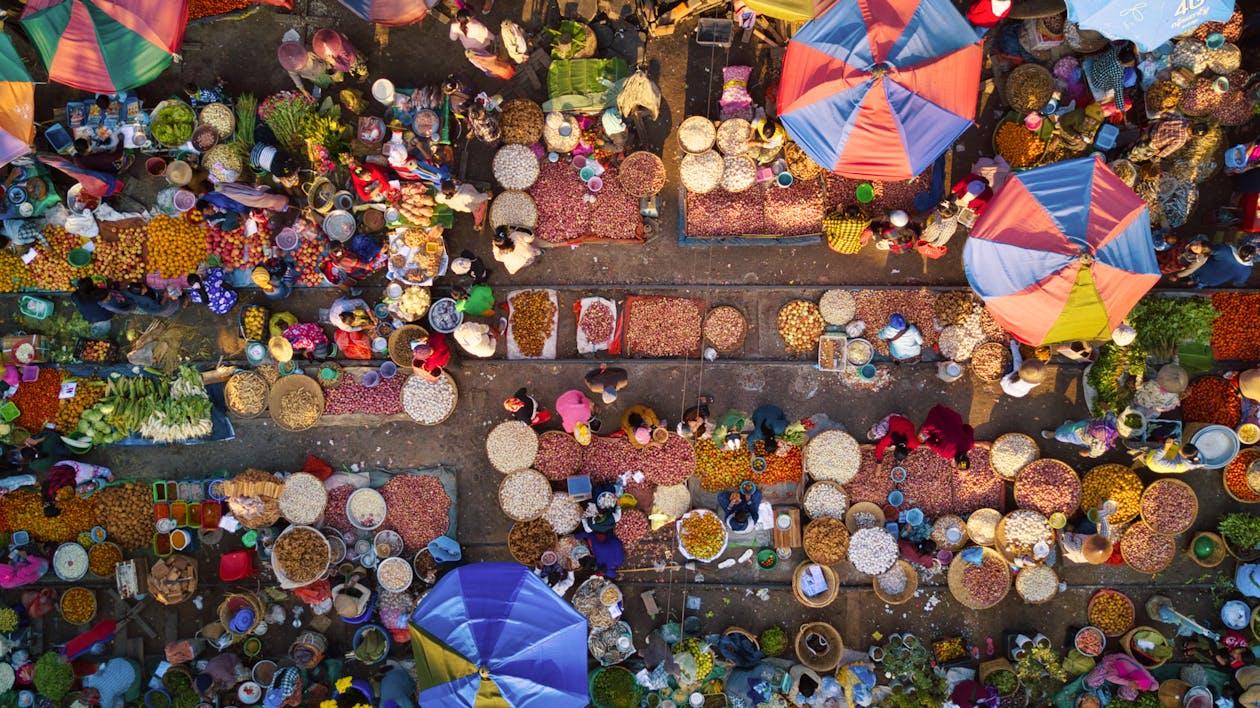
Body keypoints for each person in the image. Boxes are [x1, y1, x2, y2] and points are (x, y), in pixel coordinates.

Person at [450, 11, 515, 80]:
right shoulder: (476, 25)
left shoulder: (454, 26)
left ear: (457, 19)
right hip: (486, 46)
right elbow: (489, 35)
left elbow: (453, 38)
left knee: (485, 63)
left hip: (473, 51)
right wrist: (496, 40)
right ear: (469, 18)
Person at [919, 404, 974, 468]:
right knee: (920, 438)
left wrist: (959, 430)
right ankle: (925, 425)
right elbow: (929, 442)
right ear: (954, 461)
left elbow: (968, 427)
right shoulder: (946, 453)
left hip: (952, 415)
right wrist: (935, 436)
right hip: (935, 418)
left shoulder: (969, 444)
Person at [1042, 414, 1119, 458]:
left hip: (1077, 434)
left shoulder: (1113, 420)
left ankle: (1055, 434)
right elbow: (1088, 453)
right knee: (1076, 427)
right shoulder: (1114, 421)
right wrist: (1084, 452)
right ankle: (1070, 425)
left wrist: (1085, 453)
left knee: (1062, 434)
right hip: (1086, 427)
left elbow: (1090, 453)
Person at [1190, 241, 1256, 288]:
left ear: (1240, 248)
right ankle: (1197, 285)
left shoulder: (1225, 250)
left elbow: (1208, 250)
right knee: (1202, 282)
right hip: (1211, 282)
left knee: (1202, 237)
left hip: (1197, 271)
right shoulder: (1247, 271)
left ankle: (1190, 278)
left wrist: (1225, 244)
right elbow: (1237, 283)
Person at [1132, 440, 1202, 474]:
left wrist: (1165, 448)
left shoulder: (1178, 466)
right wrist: (1175, 443)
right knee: (1157, 445)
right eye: (1183, 445)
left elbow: (1157, 460)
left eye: (1181, 448)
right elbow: (1178, 447)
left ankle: (1143, 455)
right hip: (1168, 456)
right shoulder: (1193, 455)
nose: (1180, 446)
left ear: (1184, 456)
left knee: (1151, 450)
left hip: (1154, 462)